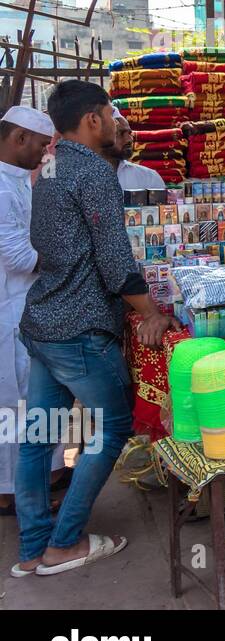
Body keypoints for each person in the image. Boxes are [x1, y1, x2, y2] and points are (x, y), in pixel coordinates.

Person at [14, 80, 180, 578]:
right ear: (92, 119)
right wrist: (152, 311)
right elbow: (113, 261)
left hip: (42, 319)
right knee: (112, 430)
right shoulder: (93, 171)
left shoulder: (49, 164)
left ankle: (33, 549)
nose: (115, 124)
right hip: (79, 327)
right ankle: (64, 544)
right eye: (110, 114)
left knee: (38, 437)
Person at [0, 107, 65, 518]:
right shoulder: (3, 189)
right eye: (42, 146)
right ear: (19, 138)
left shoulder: (20, 181)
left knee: (32, 400)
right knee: (16, 402)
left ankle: (44, 480)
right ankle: (13, 495)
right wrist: (67, 254)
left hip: (27, 307)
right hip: (10, 311)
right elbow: (19, 256)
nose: (45, 154)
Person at [104, 108, 165, 191]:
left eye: (129, 133)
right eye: (120, 133)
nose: (129, 139)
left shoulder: (148, 178)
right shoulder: (84, 176)